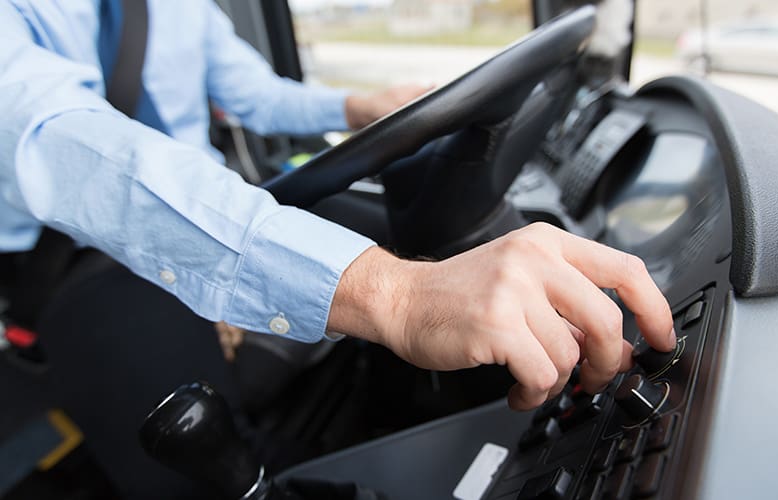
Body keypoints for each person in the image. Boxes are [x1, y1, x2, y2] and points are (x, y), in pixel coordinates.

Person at [0, 0, 675, 497]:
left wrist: (363, 106)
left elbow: (256, 96)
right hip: (72, 252)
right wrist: (395, 294)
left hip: (203, 198)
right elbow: (66, 145)